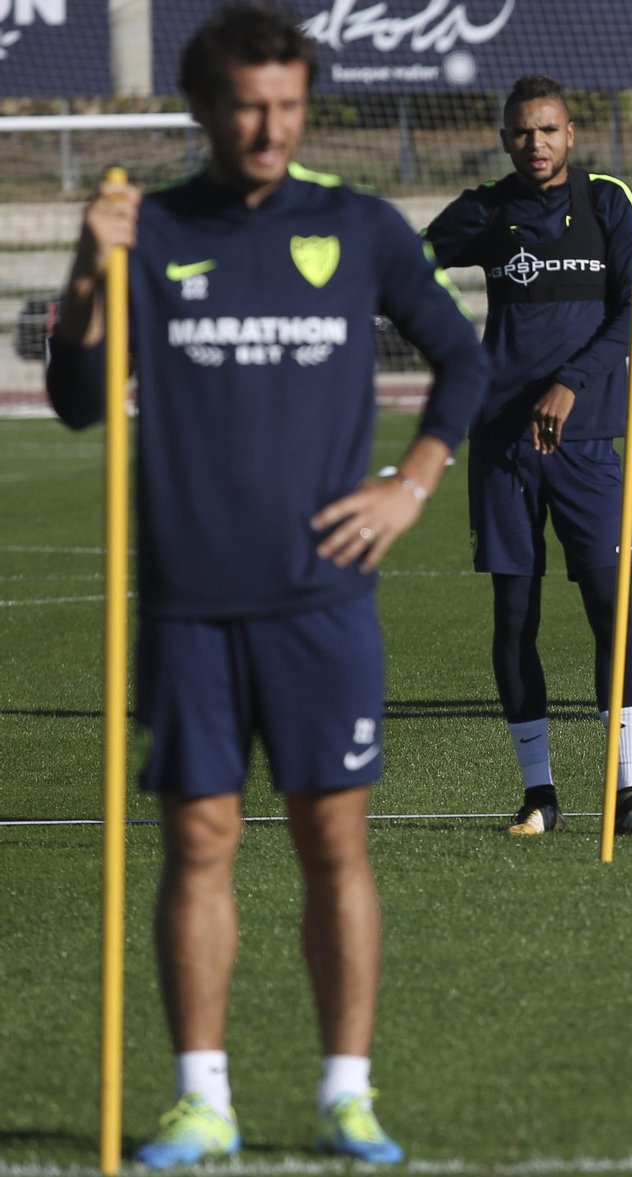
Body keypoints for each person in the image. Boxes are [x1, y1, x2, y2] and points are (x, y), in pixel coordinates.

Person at [45, 5, 488, 1166]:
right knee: (196, 843)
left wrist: (412, 485)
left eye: (288, 105)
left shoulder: (358, 226)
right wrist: (88, 264)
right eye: (248, 105)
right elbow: (79, 396)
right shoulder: (152, 229)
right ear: (202, 109)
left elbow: (464, 357)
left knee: (332, 845)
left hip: (322, 602)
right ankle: (204, 1098)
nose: (269, 126)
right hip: (187, 603)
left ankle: (348, 1091)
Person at [423, 75, 632, 839]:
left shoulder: (609, 201)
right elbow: (404, 272)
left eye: (547, 131)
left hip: (588, 447)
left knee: (613, 611)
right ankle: (538, 794)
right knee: (515, 616)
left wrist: (570, 384)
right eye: (520, 133)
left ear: (570, 134)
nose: (534, 144)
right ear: (505, 139)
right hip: (502, 449)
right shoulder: (485, 208)